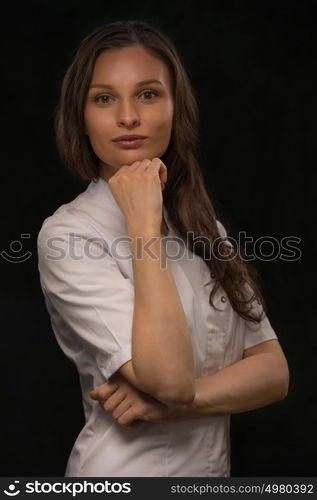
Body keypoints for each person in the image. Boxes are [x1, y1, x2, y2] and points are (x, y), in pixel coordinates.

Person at [37, 19, 289, 477]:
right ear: (81, 115)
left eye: (148, 94)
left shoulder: (204, 226)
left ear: (177, 108)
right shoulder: (68, 236)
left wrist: (178, 406)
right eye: (104, 98)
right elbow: (169, 380)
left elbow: (274, 373)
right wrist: (142, 225)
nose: (128, 116)